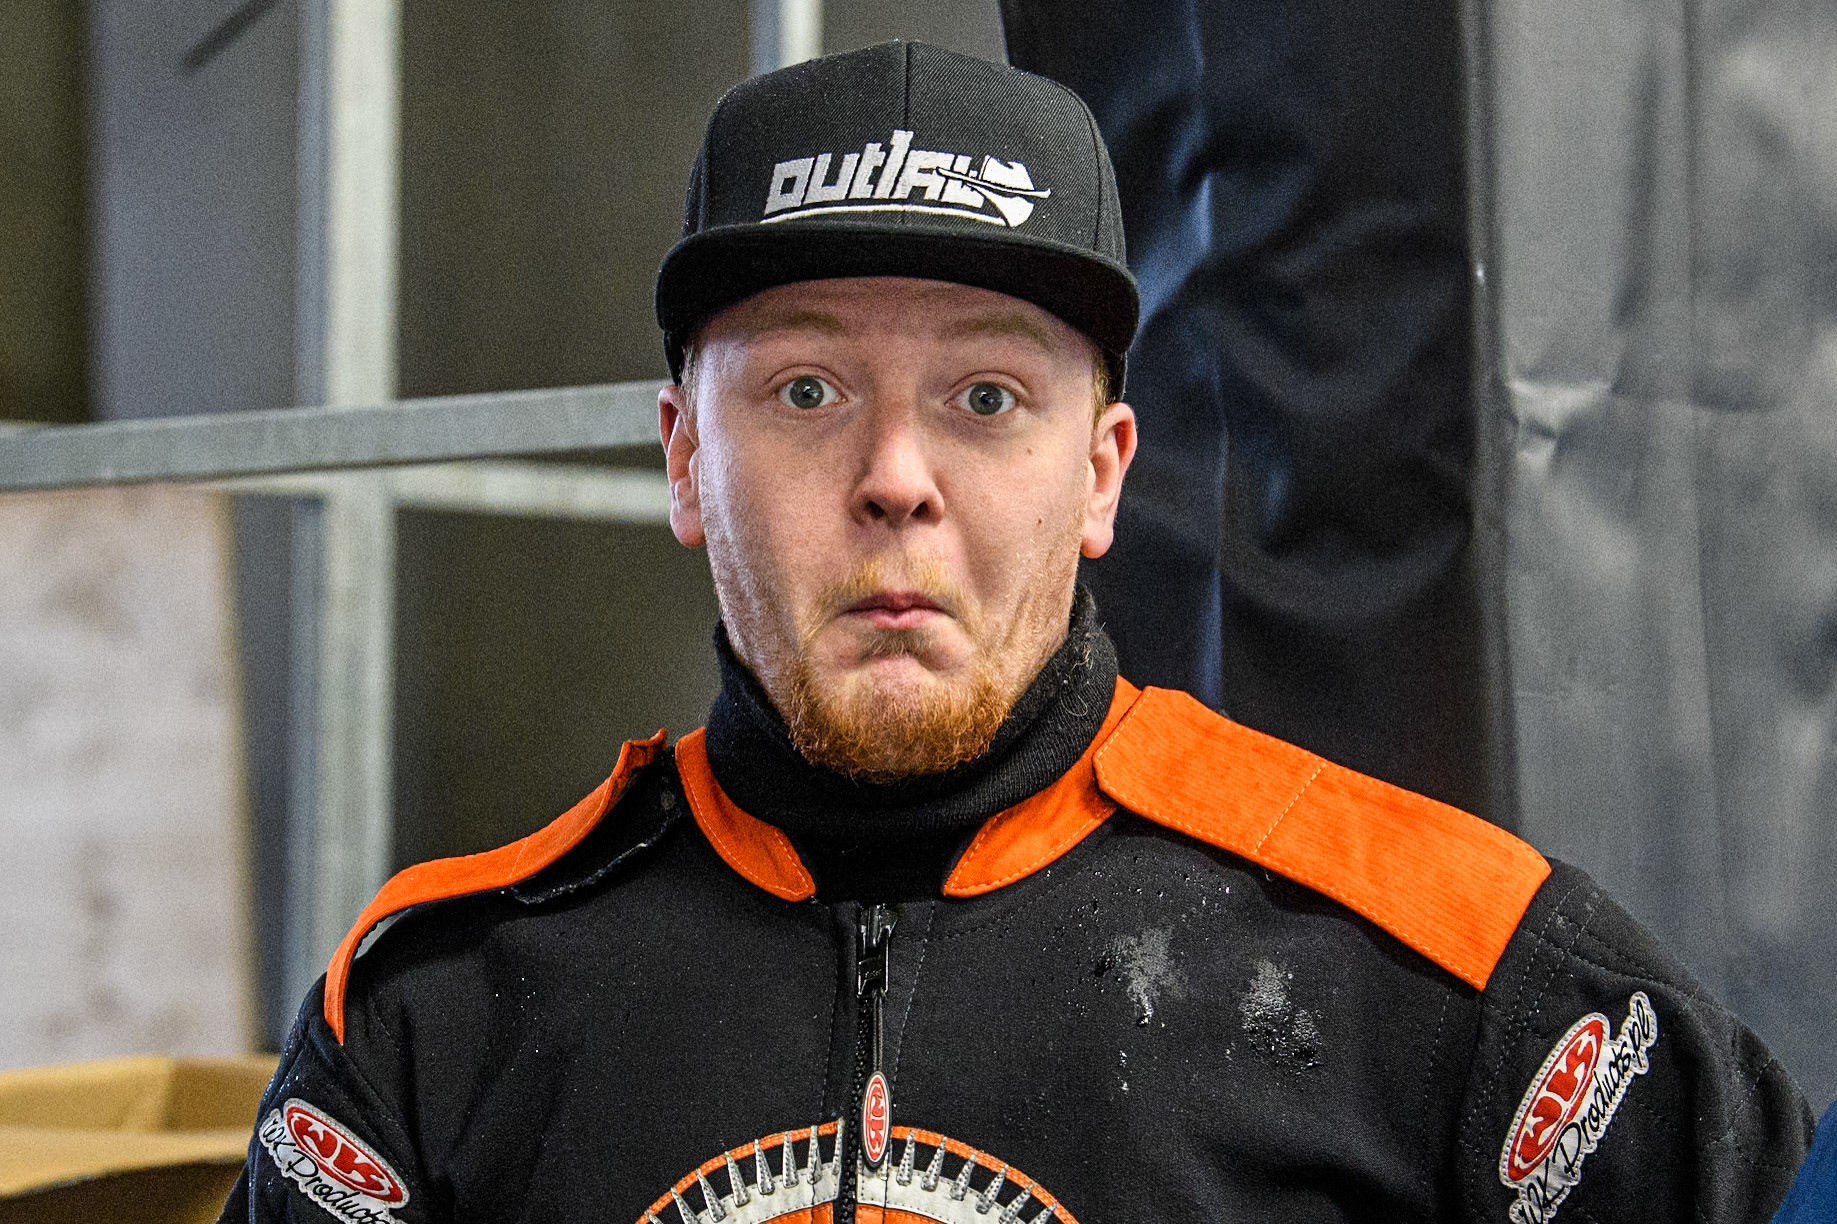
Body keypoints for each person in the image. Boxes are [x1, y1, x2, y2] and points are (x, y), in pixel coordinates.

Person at [222, 42, 1813, 1224]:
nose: (895, 480)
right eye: (803, 393)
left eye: (986, 399)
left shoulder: (1456, 985)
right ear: (684, 462)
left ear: (1102, 473)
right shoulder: (437, 1012)